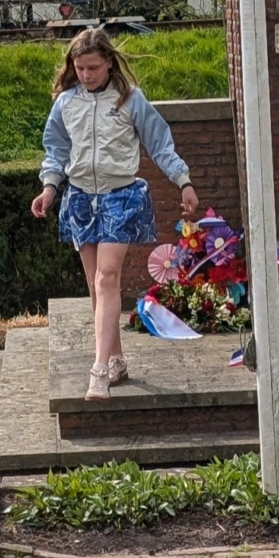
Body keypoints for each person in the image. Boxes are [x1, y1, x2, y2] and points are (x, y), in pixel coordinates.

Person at [32, 27, 197, 402]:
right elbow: (55, 151)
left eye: (93, 67)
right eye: (80, 67)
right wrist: (48, 189)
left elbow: (159, 142)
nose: (86, 74)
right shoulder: (65, 104)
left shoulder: (130, 100)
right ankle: (117, 359)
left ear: (108, 62)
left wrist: (182, 180)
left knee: (107, 278)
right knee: (97, 288)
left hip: (121, 196)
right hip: (79, 199)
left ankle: (99, 371)